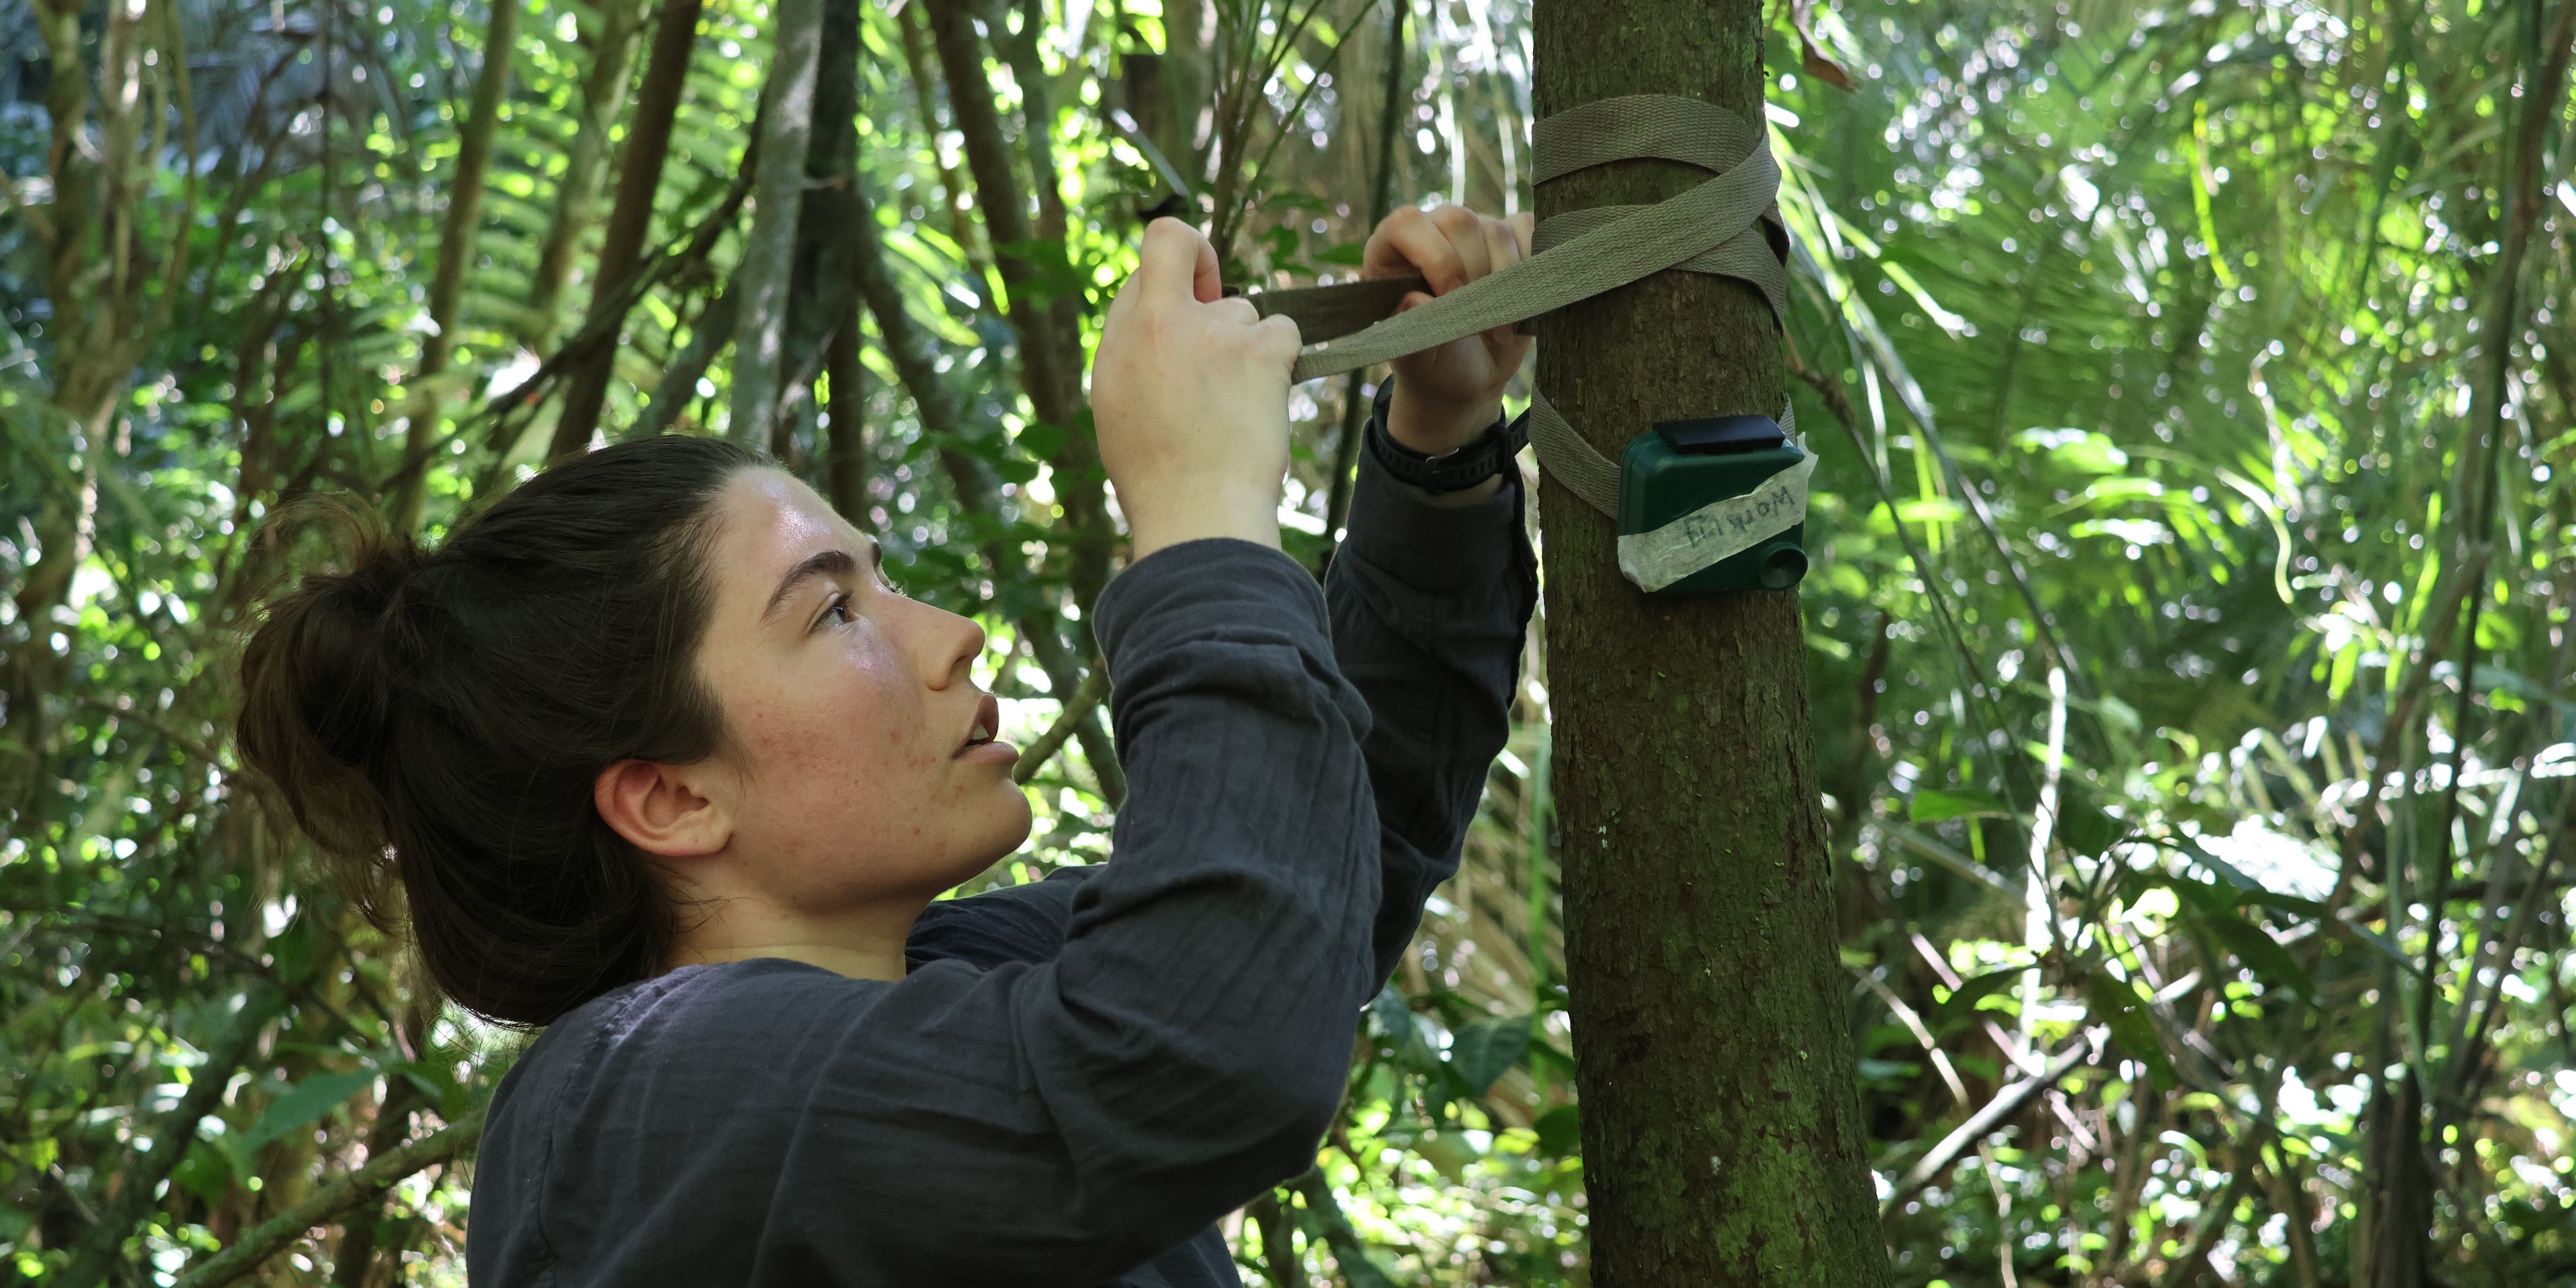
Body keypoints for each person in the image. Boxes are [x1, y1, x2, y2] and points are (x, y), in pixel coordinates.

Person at [237, 203, 1539, 1287]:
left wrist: (1441, 450)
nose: (951, 635)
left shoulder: (947, 981)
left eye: (885, 577)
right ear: (670, 798)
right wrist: (1199, 521)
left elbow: (1316, 861)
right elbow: (1202, 1048)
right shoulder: (633, 1107)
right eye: (836, 609)